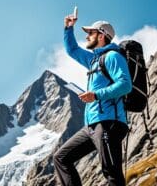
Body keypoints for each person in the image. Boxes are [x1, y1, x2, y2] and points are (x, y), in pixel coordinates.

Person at [53, 13, 132, 186]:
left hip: (108, 123)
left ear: (101, 35)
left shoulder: (112, 57)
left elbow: (125, 85)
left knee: (112, 172)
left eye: (91, 33)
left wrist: (96, 95)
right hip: (92, 125)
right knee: (61, 158)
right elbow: (72, 50)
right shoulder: (93, 60)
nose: (87, 36)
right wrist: (68, 27)